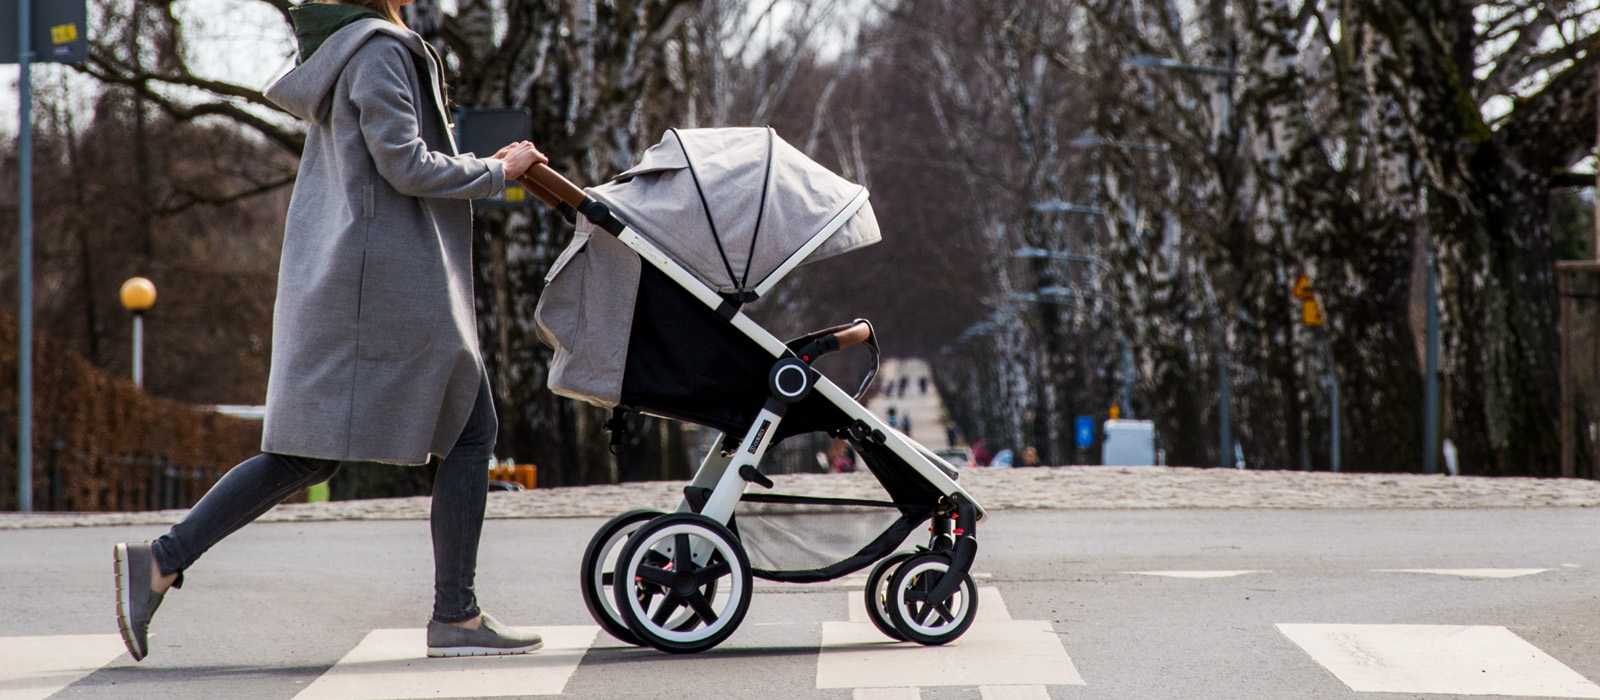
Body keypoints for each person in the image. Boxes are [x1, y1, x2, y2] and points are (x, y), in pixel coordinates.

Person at [113, 0, 548, 662]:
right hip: (388, 284)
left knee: (312, 449)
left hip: (360, 277)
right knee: (465, 429)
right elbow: (404, 164)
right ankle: (455, 617)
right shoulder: (378, 50)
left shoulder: (344, 49)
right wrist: (497, 172)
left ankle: (161, 562)